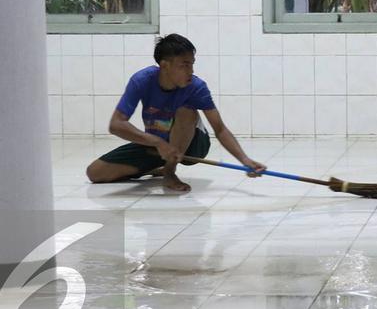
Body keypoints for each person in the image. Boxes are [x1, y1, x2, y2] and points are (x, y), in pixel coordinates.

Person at [86, 34, 267, 192]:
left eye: (192, 64)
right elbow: (116, 125)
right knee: (95, 173)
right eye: (184, 65)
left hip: (193, 145)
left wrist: (245, 160)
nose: (191, 71)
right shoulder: (142, 80)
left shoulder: (196, 87)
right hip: (158, 145)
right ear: (165, 66)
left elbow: (220, 129)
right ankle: (154, 166)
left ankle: (169, 172)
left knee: (186, 111)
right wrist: (157, 143)